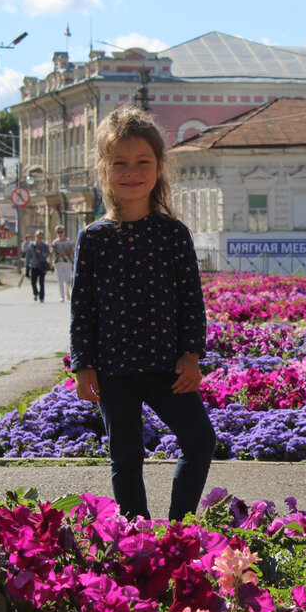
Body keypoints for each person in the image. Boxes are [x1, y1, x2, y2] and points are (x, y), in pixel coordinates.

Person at [70, 105, 215, 522]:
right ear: (103, 168)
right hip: (113, 369)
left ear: (159, 166)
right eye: (119, 163)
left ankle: (179, 529)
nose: (131, 172)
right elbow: (83, 307)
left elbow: (191, 298)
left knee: (200, 441)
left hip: (168, 368)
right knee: (125, 457)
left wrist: (191, 354)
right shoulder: (94, 239)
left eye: (142, 162)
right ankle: (134, 537)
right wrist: (83, 365)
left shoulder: (172, 234)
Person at [50, 224, 74, 302]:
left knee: (67, 279)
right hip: (58, 262)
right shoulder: (55, 242)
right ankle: (62, 296)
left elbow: (72, 252)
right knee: (60, 280)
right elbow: (52, 252)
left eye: (61, 231)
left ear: (64, 232)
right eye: (58, 232)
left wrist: (74, 261)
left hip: (67, 262)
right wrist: (50, 261)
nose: (60, 233)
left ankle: (67, 293)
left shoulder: (69, 241)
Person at [25, 231, 50, 302]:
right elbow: (28, 257)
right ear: (35, 237)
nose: (39, 239)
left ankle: (41, 297)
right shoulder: (31, 246)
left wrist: (41, 253)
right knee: (33, 282)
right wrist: (27, 266)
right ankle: (35, 293)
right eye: (38, 237)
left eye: (41, 237)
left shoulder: (45, 246)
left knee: (41, 282)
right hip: (34, 266)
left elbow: (48, 254)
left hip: (42, 266)